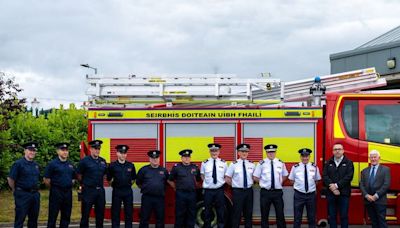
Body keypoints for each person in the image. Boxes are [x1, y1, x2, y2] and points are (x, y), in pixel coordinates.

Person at [253, 144, 288, 228]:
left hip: (278, 192)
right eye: (269, 152)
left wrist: (280, 182)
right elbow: (255, 177)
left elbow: (285, 175)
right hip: (265, 193)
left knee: (280, 214)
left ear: (275, 152)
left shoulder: (281, 163)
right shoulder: (261, 163)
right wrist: (262, 183)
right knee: (264, 215)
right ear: (266, 152)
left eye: (273, 152)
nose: (271, 154)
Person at [8, 142, 41, 228]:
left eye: (34, 151)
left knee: (33, 220)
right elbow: (11, 179)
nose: (32, 152)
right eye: (30, 150)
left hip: (35, 195)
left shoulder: (36, 165)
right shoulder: (18, 164)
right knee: (20, 219)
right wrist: (15, 190)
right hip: (22, 194)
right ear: (25, 151)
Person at [44, 142, 77, 228]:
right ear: (58, 151)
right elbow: (46, 180)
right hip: (56, 192)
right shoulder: (52, 164)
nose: (65, 152)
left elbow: (73, 179)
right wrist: (55, 188)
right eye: (62, 150)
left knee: (66, 216)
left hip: (68, 193)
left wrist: (68, 185)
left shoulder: (71, 164)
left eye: (66, 150)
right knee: (53, 216)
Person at [322, 143, 354, 228]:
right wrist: (332, 188)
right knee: (332, 216)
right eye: (335, 149)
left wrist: (336, 186)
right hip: (331, 194)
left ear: (343, 151)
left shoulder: (349, 163)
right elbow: (325, 176)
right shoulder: (328, 162)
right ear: (332, 151)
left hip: (344, 194)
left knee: (344, 216)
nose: (337, 151)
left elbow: (349, 177)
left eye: (339, 149)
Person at [77, 140, 108, 228]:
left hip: (100, 191)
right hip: (88, 191)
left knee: (100, 215)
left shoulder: (103, 161)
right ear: (90, 149)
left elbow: (105, 174)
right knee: (85, 215)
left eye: (98, 149)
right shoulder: (84, 161)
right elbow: (79, 175)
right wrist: (84, 184)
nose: (97, 151)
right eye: (95, 148)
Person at [167, 149, 201, 228]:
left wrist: (194, 187)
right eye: (185, 157)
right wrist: (175, 187)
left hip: (192, 194)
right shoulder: (176, 167)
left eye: (188, 157)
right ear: (181, 158)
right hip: (180, 194)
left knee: (191, 214)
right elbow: (169, 180)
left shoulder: (195, 167)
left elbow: (199, 180)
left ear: (190, 158)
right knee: (179, 214)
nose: (186, 159)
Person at [288, 148, 321, 228]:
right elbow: (291, 180)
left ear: (309, 157)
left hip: (311, 195)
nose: (305, 158)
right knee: (297, 218)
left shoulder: (314, 167)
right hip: (299, 195)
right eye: (303, 156)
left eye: (306, 156)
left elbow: (317, 180)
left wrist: (310, 188)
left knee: (312, 217)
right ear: (300, 157)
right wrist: (299, 187)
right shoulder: (295, 167)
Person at [225, 143, 255, 228]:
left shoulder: (252, 164)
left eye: (246, 151)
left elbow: (254, 177)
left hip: (249, 191)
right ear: (238, 153)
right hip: (238, 192)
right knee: (236, 214)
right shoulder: (233, 164)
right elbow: (227, 178)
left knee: (248, 214)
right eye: (242, 151)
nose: (244, 153)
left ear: (248, 153)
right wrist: (235, 185)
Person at [136, 150, 169, 228]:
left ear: (159, 159)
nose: (155, 159)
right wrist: (147, 189)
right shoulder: (143, 170)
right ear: (149, 159)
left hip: (160, 198)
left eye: (157, 158)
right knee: (144, 218)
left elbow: (166, 183)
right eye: (153, 158)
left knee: (160, 219)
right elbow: (138, 182)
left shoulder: (164, 170)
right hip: (147, 198)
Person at [107, 144, 136, 228]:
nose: (123, 155)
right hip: (117, 191)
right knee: (115, 213)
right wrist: (114, 186)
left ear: (126, 154)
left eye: (124, 153)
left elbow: (133, 179)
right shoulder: (112, 165)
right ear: (117, 153)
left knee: (129, 213)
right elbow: (109, 179)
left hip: (128, 191)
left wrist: (127, 185)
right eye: (121, 152)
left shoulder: (131, 165)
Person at [360, 150, 391, 228]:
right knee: (373, 222)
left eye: (375, 157)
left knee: (382, 222)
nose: (373, 159)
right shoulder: (364, 171)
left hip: (380, 200)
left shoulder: (386, 170)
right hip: (368, 201)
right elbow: (361, 185)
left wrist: (376, 196)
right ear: (369, 158)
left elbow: (386, 185)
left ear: (379, 158)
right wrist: (367, 195)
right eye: (371, 157)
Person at [200, 143, 228, 228]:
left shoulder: (223, 163)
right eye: (212, 151)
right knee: (207, 211)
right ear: (209, 151)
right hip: (208, 191)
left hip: (219, 190)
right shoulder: (205, 163)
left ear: (219, 151)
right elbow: (202, 175)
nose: (214, 153)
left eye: (216, 151)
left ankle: (221, 226)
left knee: (220, 211)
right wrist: (209, 183)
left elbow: (226, 176)